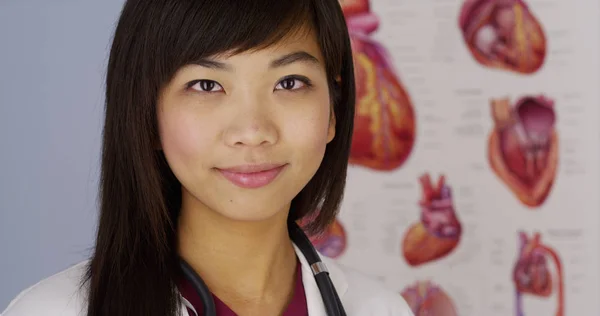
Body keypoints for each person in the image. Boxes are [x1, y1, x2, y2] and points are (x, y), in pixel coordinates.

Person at [1, 0, 415, 315]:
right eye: (206, 85)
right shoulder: (50, 310)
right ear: (147, 115)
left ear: (334, 110)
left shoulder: (381, 308)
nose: (252, 131)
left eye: (289, 82)